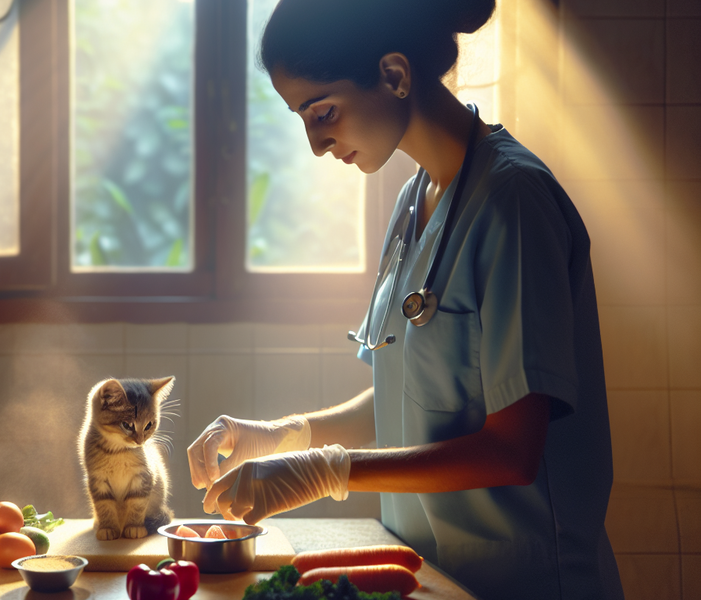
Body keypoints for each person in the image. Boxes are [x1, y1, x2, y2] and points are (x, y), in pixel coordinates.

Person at [187, 1, 624, 598]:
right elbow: (409, 397)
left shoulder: (514, 203)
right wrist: (285, 433)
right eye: (302, 119)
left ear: (395, 75)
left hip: (524, 579)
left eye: (322, 112)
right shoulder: (415, 200)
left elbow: (513, 449)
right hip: (431, 574)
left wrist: (329, 472)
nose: (316, 144)